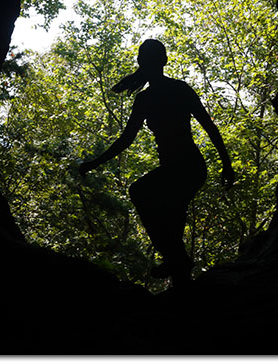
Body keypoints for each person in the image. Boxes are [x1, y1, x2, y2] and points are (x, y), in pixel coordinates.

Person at [79, 39, 234, 287]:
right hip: (188, 168)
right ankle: (179, 271)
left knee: (142, 195)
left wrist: (93, 163)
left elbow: (126, 140)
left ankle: (177, 264)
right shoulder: (170, 92)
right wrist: (226, 164)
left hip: (183, 169)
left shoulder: (151, 97)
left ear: (144, 62)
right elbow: (209, 127)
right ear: (164, 60)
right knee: (169, 219)